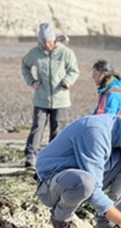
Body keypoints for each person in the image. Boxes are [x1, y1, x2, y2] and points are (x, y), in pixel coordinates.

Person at [21, 23, 80, 167]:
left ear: (54, 39)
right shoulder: (35, 53)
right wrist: (32, 81)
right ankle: (30, 154)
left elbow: (74, 70)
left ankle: (54, 156)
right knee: (37, 126)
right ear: (40, 41)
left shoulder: (66, 52)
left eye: (50, 41)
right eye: (44, 42)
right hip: (41, 98)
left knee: (58, 128)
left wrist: (68, 80)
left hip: (60, 98)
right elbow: (25, 66)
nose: (48, 45)